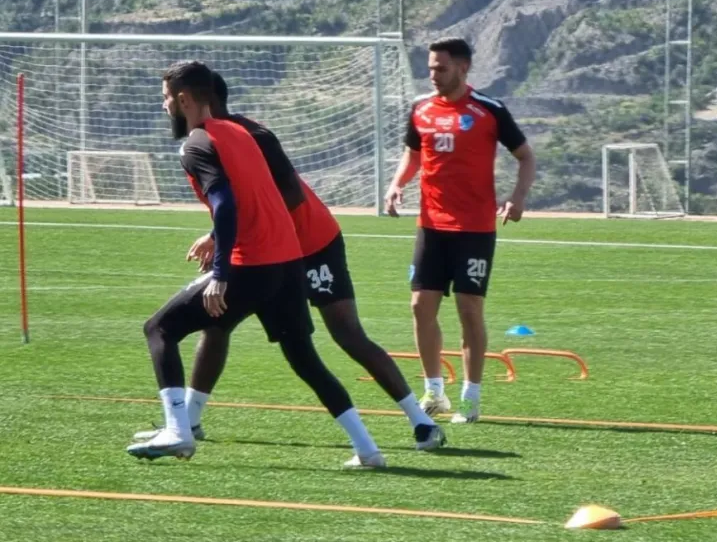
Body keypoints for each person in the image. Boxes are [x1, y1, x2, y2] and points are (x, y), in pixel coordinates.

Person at [132, 71, 446, 452]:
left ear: (193, 100)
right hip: (272, 250)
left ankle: (421, 420)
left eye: (169, 97)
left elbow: (290, 195)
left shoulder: (247, 136)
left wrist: (224, 240)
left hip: (311, 243)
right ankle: (190, 420)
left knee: (346, 334)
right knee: (219, 325)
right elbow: (240, 203)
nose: (165, 106)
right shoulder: (223, 136)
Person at [384, 37, 536, 424]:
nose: (433, 75)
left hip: (474, 229)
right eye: (431, 67)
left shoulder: (488, 110)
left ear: (463, 68)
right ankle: (435, 392)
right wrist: (397, 183)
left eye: (441, 68)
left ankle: (470, 400)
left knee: (469, 310)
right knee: (420, 307)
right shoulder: (420, 109)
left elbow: (525, 156)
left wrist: (517, 198)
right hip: (432, 225)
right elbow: (414, 153)